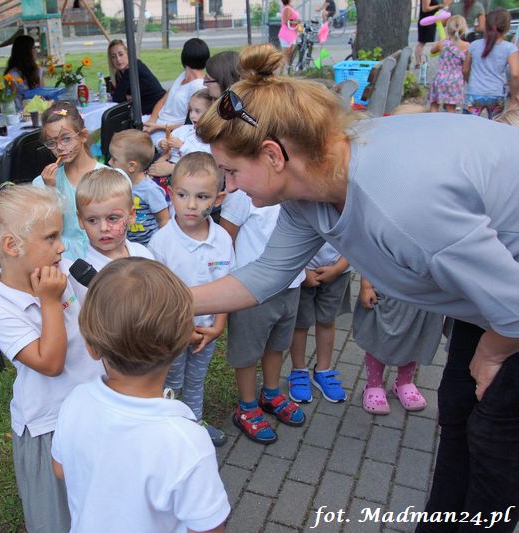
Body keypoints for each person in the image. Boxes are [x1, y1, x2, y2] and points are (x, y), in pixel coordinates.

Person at [193, 43, 519, 532]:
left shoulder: (402, 203)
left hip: (510, 302)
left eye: (232, 172)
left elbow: (515, 306)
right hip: (496, 294)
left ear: (274, 155)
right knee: (457, 410)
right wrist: (173, 300)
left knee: (495, 439)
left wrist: (493, 353)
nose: (230, 188)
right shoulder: (310, 187)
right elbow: (268, 273)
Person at [51, 258, 230, 533]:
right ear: (183, 338)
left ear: (91, 346)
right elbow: (208, 527)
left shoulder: (76, 401)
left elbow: (61, 469)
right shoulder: (187, 442)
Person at [0, 185, 104, 533]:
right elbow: (50, 363)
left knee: (100, 504)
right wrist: (50, 301)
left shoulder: (66, 269)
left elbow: (106, 311)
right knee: (57, 517)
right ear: (12, 246)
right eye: (51, 237)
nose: (62, 246)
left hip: (96, 409)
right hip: (50, 424)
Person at [148, 152, 234, 447]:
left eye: (202, 196)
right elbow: (157, 297)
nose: (191, 205)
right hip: (171, 334)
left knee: (196, 379)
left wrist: (218, 326)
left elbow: (226, 286)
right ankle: (169, 428)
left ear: (217, 199)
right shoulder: (161, 243)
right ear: (170, 193)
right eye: (182, 195)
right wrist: (179, 328)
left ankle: (195, 422)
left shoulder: (222, 239)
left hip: (206, 332)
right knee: (170, 380)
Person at [219, 188, 306, 444]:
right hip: (252, 290)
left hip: (290, 284)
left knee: (277, 345)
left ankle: (270, 393)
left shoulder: (294, 190)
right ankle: (246, 407)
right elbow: (225, 239)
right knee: (247, 352)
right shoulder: (244, 194)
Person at [356, 275, 444, 414]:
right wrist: (366, 285)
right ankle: (374, 384)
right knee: (378, 337)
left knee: (414, 337)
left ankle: (404, 382)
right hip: (388, 290)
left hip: (423, 294)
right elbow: (371, 260)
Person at [33, 101, 107, 261]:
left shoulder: (110, 178)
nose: (59, 147)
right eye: (52, 142)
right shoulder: (41, 184)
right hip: (64, 259)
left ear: (83, 136)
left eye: (66, 139)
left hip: (103, 255)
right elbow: (46, 229)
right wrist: (51, 190)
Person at [287, 243, 351, 404]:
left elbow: (357, 240)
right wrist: (302, 271)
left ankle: (323, 370)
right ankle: (299, 370)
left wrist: (338, 268)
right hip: (302, 269)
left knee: (327, 320)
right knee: (300, 324)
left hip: (339, 269)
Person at [75, 167, 154, 270]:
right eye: (92, 220)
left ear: (131, 215)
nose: (103, 228)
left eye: (112, 218)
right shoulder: (84, 273)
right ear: (80, 220)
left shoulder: (143, 254)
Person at [143, 38, 209, 147]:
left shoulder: (198, 86)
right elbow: (163, 100)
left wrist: (158, 127)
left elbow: (190, 123)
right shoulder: (183, 75)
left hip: (171, 131)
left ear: (184, 55)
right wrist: (152, 120)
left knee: (138, 140)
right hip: (158, 122)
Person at [108, 129, 170, 245]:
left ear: (131, 166)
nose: (109, 162)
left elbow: (164, 219)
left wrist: (163, 244)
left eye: (114, 159)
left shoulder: (150, 190)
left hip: (149, 245)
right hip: (127, 244)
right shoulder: (119, 184)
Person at [463, 9, 519, 118]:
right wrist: (515, 95)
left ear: (486, 25)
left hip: (474, 92)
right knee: (495, 124)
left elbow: (465, 70)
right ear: (507, 28)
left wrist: (470, 82)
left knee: (468, 124)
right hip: (496, 94)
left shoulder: (474, 45)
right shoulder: (510, 48)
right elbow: (515, 74)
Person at [149, 90, 216, 179]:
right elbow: (167, 143)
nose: (192, 115)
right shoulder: (184, 129)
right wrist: (161, 143)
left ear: (211, 113)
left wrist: (182, 146)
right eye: (190, 110)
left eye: (197, 111)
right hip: (167, 165)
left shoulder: (211, 137)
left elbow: (204, 159)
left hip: (188, 174)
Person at [107, 39, 166, 115]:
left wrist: (125, 97)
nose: (118, 59)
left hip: (159, 109)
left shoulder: (133, 68)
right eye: (113, 57)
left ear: (128, 54)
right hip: (149, 108)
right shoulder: (121, 72)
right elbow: (117, 95)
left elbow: (117, 97)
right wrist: (126, 97)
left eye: (121, 54)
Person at [428, 15, 469, 113]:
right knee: (451, 108)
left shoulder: (443, 43)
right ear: (463, 29)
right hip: (456, 80)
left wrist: (443, 40)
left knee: (434, 104)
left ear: (448, 28)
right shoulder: (467, 46)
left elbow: (432, 51)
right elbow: (467, 65)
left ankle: (433, 120)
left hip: (440, 78)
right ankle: (449, 122)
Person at [4, 34, 42, 109]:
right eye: (33, 48)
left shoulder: (39, 70)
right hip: (20, 113)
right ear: (25, 52)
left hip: (39, 110)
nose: (36, 51)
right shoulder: (11, 75)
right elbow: (10, 101)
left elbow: (43, 94)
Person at [415, 0, 449, 71]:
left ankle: (421, 62)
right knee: (421, 42)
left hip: (431, 20)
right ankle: (418, 63)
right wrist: (438, 6)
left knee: (423, 43)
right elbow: (425, 9)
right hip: (426, 21)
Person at [278, 0, 300, 72]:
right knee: (286, 53)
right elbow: (286, 21)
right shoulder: (287, 8)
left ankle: (289, 70)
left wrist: (296, 22)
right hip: (286, 34)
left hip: (292, 33)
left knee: (290, 54)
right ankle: (281, 72)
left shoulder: (289, 7)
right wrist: (297, 22)